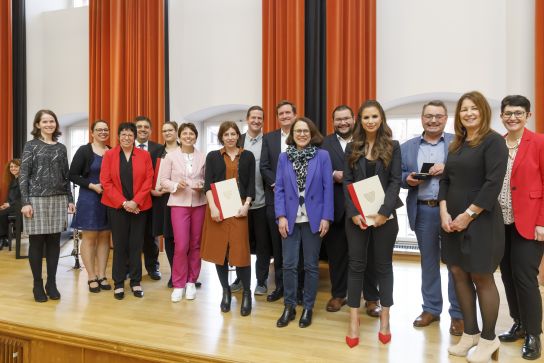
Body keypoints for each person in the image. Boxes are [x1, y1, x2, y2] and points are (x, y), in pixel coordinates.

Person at [439, 91, 508, 362]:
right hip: (451, 221)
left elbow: (493, 184)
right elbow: (445, 180)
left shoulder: (493, 142)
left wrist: (468, 215)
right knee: (458, 273)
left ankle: (489, 339)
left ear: (483, 112)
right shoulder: (457, 144)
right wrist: (444, 212)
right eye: (464, 109)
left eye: (473, 109)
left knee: (481, 277)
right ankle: (470, 333)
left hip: (481, 221)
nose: (468, 113)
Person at [400, 100, 463, 335]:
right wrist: (408, 179)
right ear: (422, 118)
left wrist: (448, 168)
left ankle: (458, 313)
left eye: (438, 116)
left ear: (446, 119)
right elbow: (398, 176)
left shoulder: (458, 143)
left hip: (452, 211)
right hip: (423, 210)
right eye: (429, 116)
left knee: (455, 264)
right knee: (428, 263)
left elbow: (469, 172)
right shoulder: (407, 147)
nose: (433, 120)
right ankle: (431, 309)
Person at [343, 100, 402, 347]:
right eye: (366, 117)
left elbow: (395, 181)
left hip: (384, 218)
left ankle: (385, 318)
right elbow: (347, 181)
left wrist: (383, 212)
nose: (370, 121)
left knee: (383, 267)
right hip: (356, 218)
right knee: (356, 266)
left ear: (381, 119)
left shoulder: (392, 146)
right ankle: (353, 320)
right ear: (360, 120)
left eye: (374, 116)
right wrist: (354, 212)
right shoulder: (351, 147)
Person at [321, 105, 382, 315]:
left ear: (354, 119)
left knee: (368, 255)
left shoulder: (367, 139)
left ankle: (372, 298)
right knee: (337, 255)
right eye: (338, 119)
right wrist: (331, 174)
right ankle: (339, 294)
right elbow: (318, 171)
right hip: (337, 207)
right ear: (333, 121)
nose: (343, 122)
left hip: (365, 206)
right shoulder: (323, 143)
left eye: (346, 118)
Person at [275, 117, 333, 328]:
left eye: (305, 131)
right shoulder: (284, 157)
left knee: (310, 266)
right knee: (288, 264)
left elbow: (328, 188)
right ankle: (289, 306)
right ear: (292, 134)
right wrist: (280, 215)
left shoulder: (323, 156)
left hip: (314, 219)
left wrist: (326, 217)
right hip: (289, 218)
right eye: (297, 131)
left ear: (312, 133)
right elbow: (279, 188)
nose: (301, 134)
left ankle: (308, 307)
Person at [497, 95, 543, 360]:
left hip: (530, 223)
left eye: (518, 113)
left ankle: (534, 334)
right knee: (507, 275)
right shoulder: (497, 144)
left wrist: (542, 223)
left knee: (525, 279)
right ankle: (519, 322)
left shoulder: (539, 142)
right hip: (500, 224)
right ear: (501, 116)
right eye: (507, 113)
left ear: (528, 115)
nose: (512, 117)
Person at [19, 109, 76, 302]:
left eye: (52, 121)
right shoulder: (31, 146)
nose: (49, 124)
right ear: (37, 125)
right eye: (45, 121)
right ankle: (37, 285)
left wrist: (70, 199)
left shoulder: (61, 148)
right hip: (35, 199)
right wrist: (25, 202)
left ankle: (51, 283)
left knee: (54, 242)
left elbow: (66, 176)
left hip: (58, 198)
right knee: (36, 243)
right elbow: (23, 175)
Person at [200, 121, 255, 316]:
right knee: (220, 252)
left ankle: (247, 292)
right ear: (221, 137)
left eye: (233, 134)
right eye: (226, 134)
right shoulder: (213, 156)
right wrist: (213, 208)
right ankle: (225, 290)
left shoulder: (247, 156)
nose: (230, 137)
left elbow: (251, 185)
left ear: (238, 136)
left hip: (239, 207)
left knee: (240, 252)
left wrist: (246, 205)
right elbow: (208, 185)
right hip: (217, 207)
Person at [100, 122, 153, 300]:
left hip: (139, 207)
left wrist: (136, 202)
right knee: (120, 245)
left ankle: (136, 281)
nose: (127, 137)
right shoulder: (109, 155)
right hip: (117, 207)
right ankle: (119, 282)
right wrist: (124, 203)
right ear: (118, 136)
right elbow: (105, 182)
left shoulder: (144, 155)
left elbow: (149, 180)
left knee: (136, 245)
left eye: (130, 134)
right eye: (123, 134)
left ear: (135, 137)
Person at [159, 122, 206, 302]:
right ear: (179, 137)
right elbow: (163, 181)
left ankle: (191, 281)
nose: (188, 136)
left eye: (191, 134)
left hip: (199, 204)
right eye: (184, 134)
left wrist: (202, 186)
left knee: (196, 244)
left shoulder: (203, 156)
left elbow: (207, 180)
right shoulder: (170, 156)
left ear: (196, 136)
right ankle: (178, 283)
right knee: (181, 245)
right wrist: (175, 185)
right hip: (178, 204)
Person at [260, 100, 299, 303]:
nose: (284, 116)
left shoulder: (303, 134)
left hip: (301, 201)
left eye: (288, 113)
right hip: (275, 198)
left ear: (294, 115)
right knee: (278, 246)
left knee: (297, 247)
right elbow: (264, 166)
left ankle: (297, 289)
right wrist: (278, 183)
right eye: (281, 113)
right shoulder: (269, 138)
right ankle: (281, 287)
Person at [230, 106, 272, 296]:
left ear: (263, 120)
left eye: (260, 118)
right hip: (239, 203)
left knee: (263, 244)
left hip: (262, 201)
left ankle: (261, 281)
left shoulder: (269, 142)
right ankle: (240, 278)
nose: (256, 120)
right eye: (253, 117)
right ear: (247, 119)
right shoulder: (238, 140)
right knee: (241, 243)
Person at [69, 120, 112, 293]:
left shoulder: (112, 151)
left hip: (109, 199)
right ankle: (91, 276)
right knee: (90, 237)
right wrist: (92, 186)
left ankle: (102, 275)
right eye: (99, 129)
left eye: (106, 129)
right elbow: (73, 175)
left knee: (104, 237)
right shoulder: (84, 150)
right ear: (92, 132)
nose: (103, 132)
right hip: (89, 198)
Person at [150, 121, 179, 288]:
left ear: (176, 132)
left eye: (170, 130)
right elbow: (149, 175)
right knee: (169, 236)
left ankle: (187, 273)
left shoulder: (185, 149)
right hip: (163, 199)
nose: (167, 133)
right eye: (164, 131)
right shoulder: (156, 153)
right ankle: (175, 273)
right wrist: (153, 190)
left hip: (183, 198)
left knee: (183, 238)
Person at [135, 115, 162, 280]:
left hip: (153, 199)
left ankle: (153, 267)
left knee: (151, 236)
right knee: (133, 236)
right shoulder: (126, 147)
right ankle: (131, 269)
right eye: (139, 126)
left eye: (146, 127)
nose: (143, 129)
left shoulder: (158, 148)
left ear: (151, 131)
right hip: (132, 200)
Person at [0, 159, 21, 250]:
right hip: (12, 205)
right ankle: (4, 238)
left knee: (1, 213)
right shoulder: (13, 180)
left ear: (21, 167)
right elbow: (10, 197)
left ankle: (2, 238)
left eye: (16, 166)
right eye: (11, 167)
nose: (13, 168)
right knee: (1, 211)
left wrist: (9, 204)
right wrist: (6, 204)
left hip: (19, 206)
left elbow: (22, 197)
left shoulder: (22, 180)